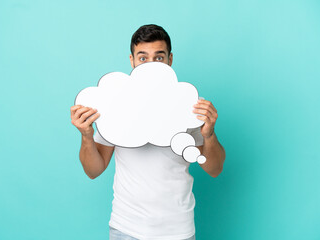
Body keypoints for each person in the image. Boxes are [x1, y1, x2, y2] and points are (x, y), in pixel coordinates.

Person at [70, 24, 226, 240]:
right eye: (143, 58)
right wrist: (86, 136)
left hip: (178, 231)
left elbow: (215, 168)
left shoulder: (189, 105)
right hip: (126, 229)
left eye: (159, 58)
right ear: (132, 60)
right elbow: (93, 170)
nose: (151, 66)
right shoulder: (114, 104)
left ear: (170, 60)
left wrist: (209, 134)